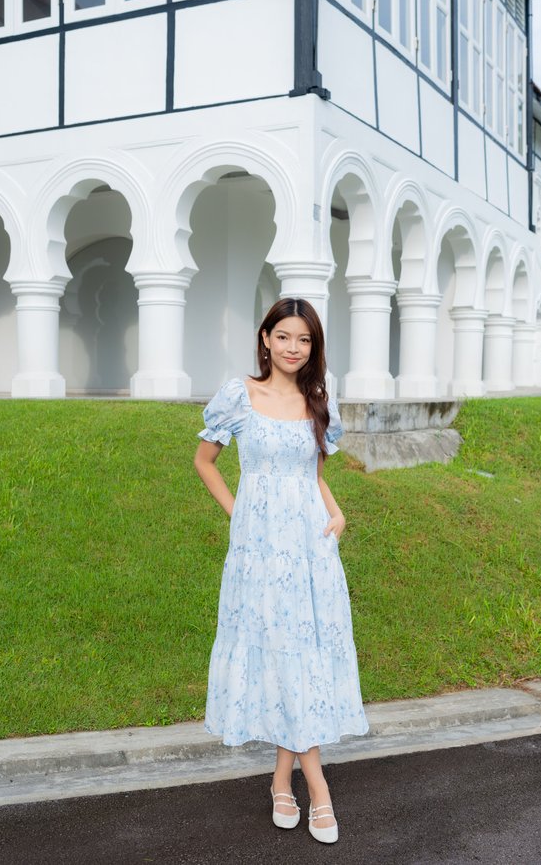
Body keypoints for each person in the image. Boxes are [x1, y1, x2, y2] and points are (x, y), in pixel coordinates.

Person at [194, 297, 368, 845]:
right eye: (284, 336)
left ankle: (281, 779)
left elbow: (311, 473)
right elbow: (204, 462)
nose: (294, 348)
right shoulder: (239, 395)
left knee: (303, 657)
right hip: (259, 553)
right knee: (279, 654)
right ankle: (318, 788)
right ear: (265, 337)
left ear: (313, 347)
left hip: (311, 550)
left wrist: (337, 513)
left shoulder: (319, 399)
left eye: (305, 340)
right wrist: (239, 517)